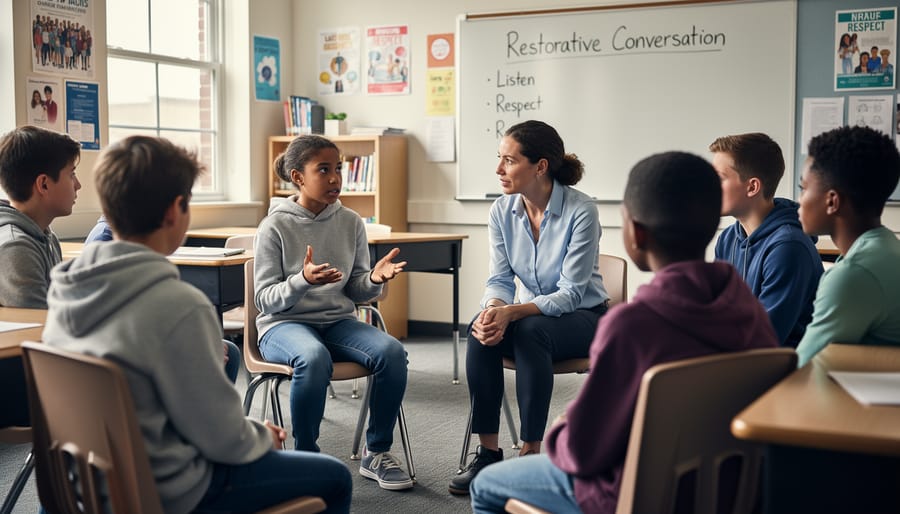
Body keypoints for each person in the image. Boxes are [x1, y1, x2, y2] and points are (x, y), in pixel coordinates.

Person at [41, 135, 353, 514]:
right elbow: (220, 436)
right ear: (176, 210)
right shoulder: (181, 307)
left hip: (90, 487)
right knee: (335, 477)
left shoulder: (64, 290)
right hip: (169, 490)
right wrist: (259, 435)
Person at [470, 151, 779, 514]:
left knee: (487, 485)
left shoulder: (632, 327)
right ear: (713, 225)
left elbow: (583, 452)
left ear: (635, 233)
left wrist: (560, 427)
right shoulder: (747, 310)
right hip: (726, 493)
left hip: (638, 494)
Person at [449, 120, 610, 496]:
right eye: (499, 159)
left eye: (509, 160)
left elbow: (571, 294)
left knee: (530, 330)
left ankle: (530, 452)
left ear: (540, 166)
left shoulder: (581, 210)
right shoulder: (501, 212)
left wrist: (513, 313)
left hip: (585, 318)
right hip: (530, 318)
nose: (498, 169)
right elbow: (500, 280)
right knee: (480, 328)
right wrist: (494, 309)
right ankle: (488, 453)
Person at [254, 134, 414, 491]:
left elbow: (356, 289)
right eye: (323, 170)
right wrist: (302, 281)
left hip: (338, 321)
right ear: (297, 177)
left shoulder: (351, 222)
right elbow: (265, 300)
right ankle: (306, 458)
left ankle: (377, 452)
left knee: (391, 352)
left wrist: (373, 278)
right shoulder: (274, 226)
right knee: (313, 357)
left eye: (338, 169)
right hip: (284, 324)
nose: (335, 178)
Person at [795, 126, 900, 367]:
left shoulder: (855, 274)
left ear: (832, 201)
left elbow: (802, 368)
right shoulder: (886, 248)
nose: (799, 201)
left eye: (803, 189)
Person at [0, 125, 80, 429]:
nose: (79, 184)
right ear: (44, 184)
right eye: (71, 174)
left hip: (45, 369)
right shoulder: (15, 245)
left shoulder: (43, 234)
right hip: (22, 383)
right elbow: (42, 335)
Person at [710, 133, 821, 347]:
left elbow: (763, 337)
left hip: (782, 368)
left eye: (720, 177)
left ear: (752, 187)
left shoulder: (788, 248)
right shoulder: (728, 238)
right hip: (738, 356)